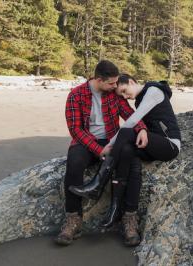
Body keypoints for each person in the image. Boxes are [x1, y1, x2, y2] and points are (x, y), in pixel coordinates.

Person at [69, 74, 181, 246]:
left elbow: (132, 122)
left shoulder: (153, 91)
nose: (124, 96)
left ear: (131, 82)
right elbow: (140, 125)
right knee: (128, 151)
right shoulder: (139, 99)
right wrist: (142, 131)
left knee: (126, 133)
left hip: (168, 145)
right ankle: (120, 211)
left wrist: (108, 148)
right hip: (150, 143)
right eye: (121, 95)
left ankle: (99, 181)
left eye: (124, 90)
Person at [55, 61, 148, 246]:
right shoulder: (76, 95)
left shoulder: (113, 95)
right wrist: (98, 150)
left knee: (133, 163)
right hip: (86, 141)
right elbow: (75, 129)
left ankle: (129, 219)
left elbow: (129, 115)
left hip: (113, 140)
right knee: (74, 163)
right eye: (112, 83)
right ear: (99, 80)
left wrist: (142, 129)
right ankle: (74, 219)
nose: (116, 86)